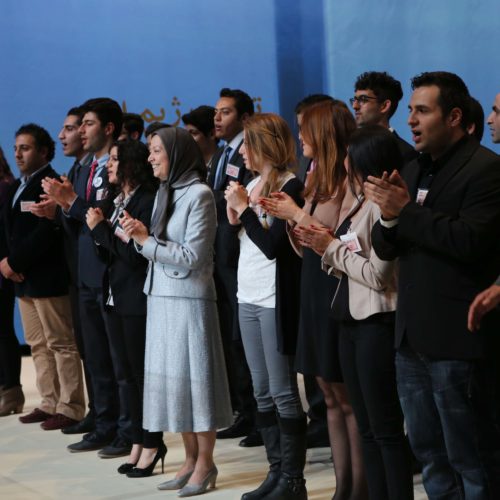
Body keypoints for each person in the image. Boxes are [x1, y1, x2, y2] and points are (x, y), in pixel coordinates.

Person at [365, 71, 500, 499]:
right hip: (411, 339)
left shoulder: (487, 170)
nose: (412, 121)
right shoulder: (413, 168)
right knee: (429, 455)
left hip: (459, 338)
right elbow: (387, 246)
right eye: (410, 111)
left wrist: (405, 212)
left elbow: (470, 241)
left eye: (422, 111)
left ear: (455, 116)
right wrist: (389, 217)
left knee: (471, 457)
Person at [262, 100, 368, 500]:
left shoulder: (348, 177)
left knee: (346, 397)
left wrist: (295, 214)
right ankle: (343, 486)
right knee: (326, 395)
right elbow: (306, 246)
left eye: (305, 130)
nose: (300, 137)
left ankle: (359, 488)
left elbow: (339, 243)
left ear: (324, 133)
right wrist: (288, 219)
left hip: (337, 291)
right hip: (311, 287)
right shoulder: (316, 177)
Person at [122, 127, 232, 497]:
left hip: (189, 301)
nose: (150, 158)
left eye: (157, 151)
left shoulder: (200, 195)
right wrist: (139, 236)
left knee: (197, 384)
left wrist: (145, 241)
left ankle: (206, 462)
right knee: (176, 385)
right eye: (151, 151)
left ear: (177, 154)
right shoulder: (165, 193)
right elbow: (155, 246)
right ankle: (188, 459)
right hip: (162, 297)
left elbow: (193, 257)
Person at [304, 125, 413, 500]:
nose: (344, 160)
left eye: (351, 154)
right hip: (350, 321)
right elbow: (350, 260)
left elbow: (378, 276)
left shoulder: (385, 208)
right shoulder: (359, 202)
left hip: (377, 323)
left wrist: (330, 248)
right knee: (366, 427)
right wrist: (327, 249)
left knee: (384, 429)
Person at [224, 113, 307, 499]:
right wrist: (235, 216)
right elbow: (245, 238)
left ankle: (293, 480)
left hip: (275, 298)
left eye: (247, 144)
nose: (242, 151)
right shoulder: (254, 183)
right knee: (260, 390)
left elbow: (274, 248)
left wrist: (245, 212)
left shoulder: (291, 186)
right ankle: (275, 473)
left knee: (283, 390)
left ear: (263, 146)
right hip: (248, 294)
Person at [42, 98, 129, 456]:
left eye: (87, 124)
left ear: (108, 128)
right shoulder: (84, 167)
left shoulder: (117, 165)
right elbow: (77, 220)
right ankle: (102, 417)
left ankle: (122, 428)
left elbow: (101, 216)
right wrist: (58, 209)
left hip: (109, 272)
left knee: (115, 358)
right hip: (84, 274)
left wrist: (71, 203)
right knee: (93, 355)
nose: (79, 132)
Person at [84, 139, 162, 476]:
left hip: (136, 298)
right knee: (126, 376)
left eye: (115, 160)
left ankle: (153, 442)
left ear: (130, 163)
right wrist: (101, 232)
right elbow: (109, 253)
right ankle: (136, 441)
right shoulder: (118, 201)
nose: (109, 166)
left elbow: (135, 255)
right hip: (114, 296)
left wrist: (102, 230)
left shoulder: (145, 200)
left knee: (142, 378)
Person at [0, 124, 85, 429]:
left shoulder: (52, 183)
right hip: (23, 279)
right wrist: (6, 262)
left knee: (60, 343)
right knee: (38, 344)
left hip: (46, 276)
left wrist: (14, 262)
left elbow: (46, 232)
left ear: (44, 151)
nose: (18, 154)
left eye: (25, 148)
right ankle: (49, 402)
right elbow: (10, 232)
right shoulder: (17, 186)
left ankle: (71, 405)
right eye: (15, 148)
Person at [31, 106, 96, 434]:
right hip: (78, 271)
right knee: (87, 350)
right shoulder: (77, 169)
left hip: (93, 271)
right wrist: (56, 213)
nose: (67, 134)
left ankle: (99, 417)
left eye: (79, 126)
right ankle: (99, 417)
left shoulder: (87, 171)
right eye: (73, 127)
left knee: (90, 351)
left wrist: (63, 208)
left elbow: (93, 220)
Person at [208, 88, 259, 447]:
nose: (217, 118)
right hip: (222, 256)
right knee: (232, 338)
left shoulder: (245, 153)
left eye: (224, 112)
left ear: (243, 118)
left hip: (241, 256)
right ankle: (244, 410)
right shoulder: (220, 154)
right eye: (216, 112)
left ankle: (258, 415)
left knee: (245, 341)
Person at [0, 146, 24, 416]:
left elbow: (8, 233)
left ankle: (11, 390)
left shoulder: (6, 187)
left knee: (3, 331)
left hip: (2, 267)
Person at [351, 71, 418, 164]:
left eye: (363, 99)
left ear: (384, 106)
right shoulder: (350, 147)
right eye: (354, 100)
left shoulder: (405, 153)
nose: (355, 106)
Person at [182, 105, 219, 175]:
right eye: (186, 133)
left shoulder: (224, 164)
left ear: (212, 134)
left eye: (193, 133)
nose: (187, 138)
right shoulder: (186, 166)